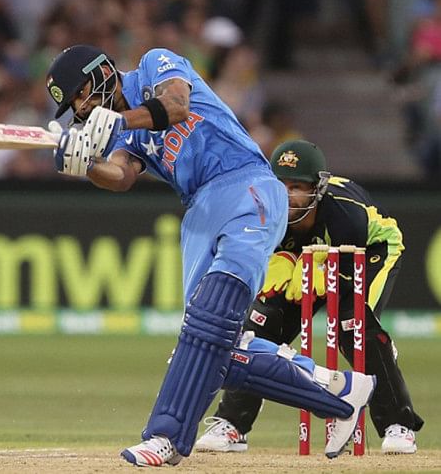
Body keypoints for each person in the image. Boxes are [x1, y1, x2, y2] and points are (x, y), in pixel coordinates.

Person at [45, 45, 376, 467]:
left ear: (103, 72)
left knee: (210, 320)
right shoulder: (123, 135)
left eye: (81, 93)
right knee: (210, 346)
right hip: (199, 211)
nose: (82, 107)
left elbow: (176, 106)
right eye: (74, 106)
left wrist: (120, 120)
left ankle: (165, 436)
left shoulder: (154, 65)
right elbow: (122, 175)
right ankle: (340, 393)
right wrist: (84, 165)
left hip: (246, 186)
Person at [195, 139, 424, 455]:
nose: (287, 194)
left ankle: (398, 424)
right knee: (259, 326)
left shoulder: (346, 214)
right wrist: (281, 261)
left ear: (317, 188)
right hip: (307, 254)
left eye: (297, 187)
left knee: (354, 328)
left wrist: (323, 267)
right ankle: (232, 424)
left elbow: (348, 263)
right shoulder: (263, 211)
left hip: (370, 250)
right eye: (281, 185)